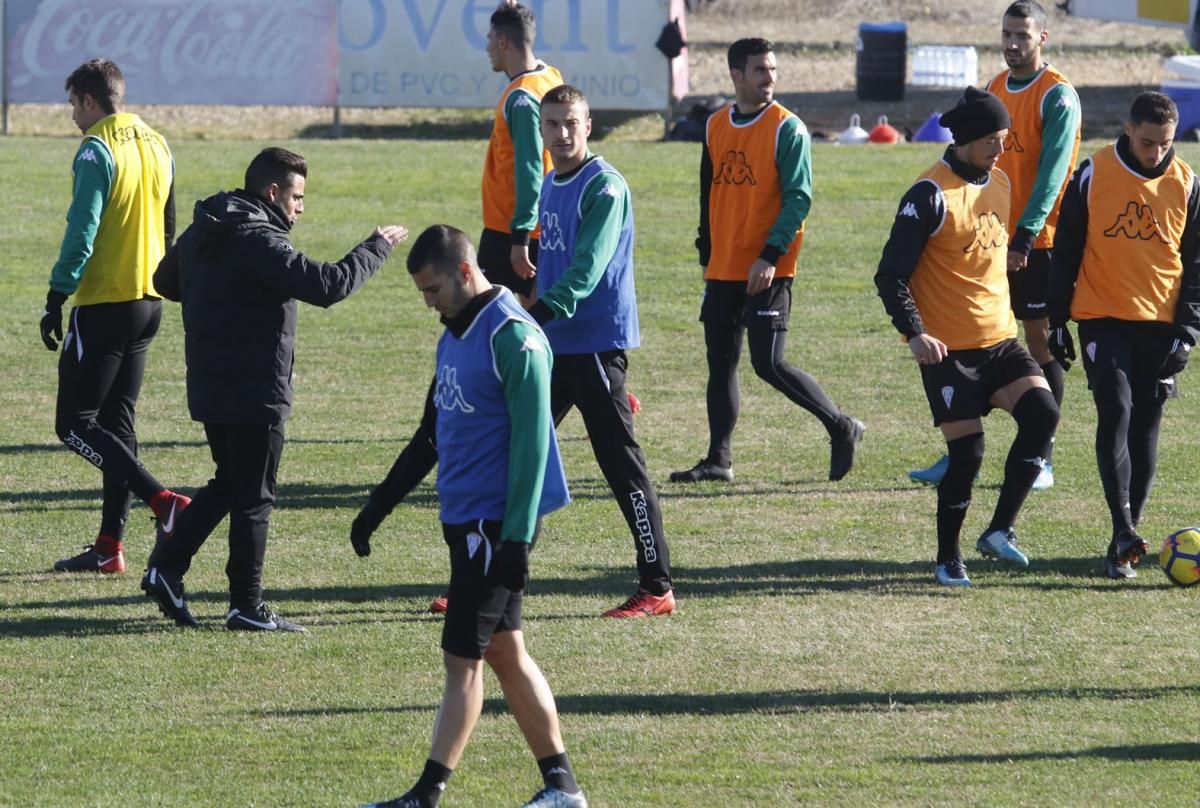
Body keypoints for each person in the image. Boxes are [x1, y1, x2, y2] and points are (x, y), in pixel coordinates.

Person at [358, 225, 586, 808]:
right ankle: (563, 788)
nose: (428, 303)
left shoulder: (514, 338)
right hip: (465, 522)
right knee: (506, 652)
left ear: (464, 272)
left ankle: (426, 794)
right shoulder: (455, 334)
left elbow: (536, 445)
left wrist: (515, 538)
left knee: (461, 661)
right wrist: (380, 504)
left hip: (493, 527)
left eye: (433, 289)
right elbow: (431, 433)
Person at [142, 147, 406, 630]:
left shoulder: (208, 223)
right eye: (297, 197)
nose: (301, 208)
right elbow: (328, 285)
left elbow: (166, 280)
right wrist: (376, 246)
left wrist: (221, 291)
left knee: (232, 483)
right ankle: (246, 604)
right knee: (255, 496)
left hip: (209, 384)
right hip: (255, 389)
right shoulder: (260, 241)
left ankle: (166, 568)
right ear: (272, 192)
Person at [875, 87, 1060, 586]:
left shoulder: (999, 181)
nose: (1000, 150)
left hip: (1000, 340)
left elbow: (1000, 264)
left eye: (1004, 139)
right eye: (991, 141)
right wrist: (914, 334)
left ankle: (999, 530)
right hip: (949, 351)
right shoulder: (928, 195)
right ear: (963, 140)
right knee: (968, 456)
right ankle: (947, 555)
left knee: (1043, 415)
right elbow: (889, 275)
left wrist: (1043, 319)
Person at [670, 37, 864, 485]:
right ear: (736, 75)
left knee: (769, 363)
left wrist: (769, 255)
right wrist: (707, 250)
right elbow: (708, 191)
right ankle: (719, 460)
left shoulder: (787, 129)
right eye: (760, 71)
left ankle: (841, 425)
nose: (769, 78)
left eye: (773, 70)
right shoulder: (715, 124)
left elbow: (799, 199)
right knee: (721, 362)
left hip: (768, 267)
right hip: (724, 266)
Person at [910, 0, 1080, 489]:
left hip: (1037, 240)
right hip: (988, 239)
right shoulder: (994, 89)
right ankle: (962, 446)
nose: (1012, 43)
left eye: (1022, 36)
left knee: (1038, 340)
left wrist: (1026, 233)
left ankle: (1040, 457)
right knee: (979, 338)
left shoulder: (1058, 96)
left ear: (1042, 38)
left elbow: (1053, 173)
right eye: (1006, 33)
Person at [527, 84, 674, 617]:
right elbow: (553, 254)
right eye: (553, 125)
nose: (562, 134)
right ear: (541, 131)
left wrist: (533, 314)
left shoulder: (604, 187)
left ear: (588, 126)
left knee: (621, 467)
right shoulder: (551, 180)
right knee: (520, 456)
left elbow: (585, 272)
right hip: (556, 343)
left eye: (572, 124)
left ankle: (657, 587)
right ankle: (494, 581)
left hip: (591, 347)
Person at [42, 59, 191, 575]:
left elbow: (81, 231)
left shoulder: (96, 149)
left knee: (73, 424)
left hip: (104, 300)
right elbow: (170, 221)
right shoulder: (157, 141)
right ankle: (110, 547)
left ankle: (163, 501)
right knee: (116, 428)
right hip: (148, 301)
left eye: (72, 105)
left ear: (88, 100)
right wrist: (165, 282)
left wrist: (57, 293)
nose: (72, 116)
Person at [1047, 91, 1200, 579]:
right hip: (1102, 315)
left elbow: (1196, 265)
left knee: (1146, 426)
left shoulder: (1188, 183)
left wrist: (1190, 330)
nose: (1157, 152)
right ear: (1129, 129)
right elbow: (1066, 249)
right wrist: (1055, 319)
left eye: (1166, 143)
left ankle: (1125, 535)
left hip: (1161, 323)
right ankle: (1124, 531)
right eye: (1149, 141)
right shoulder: (1093, 174)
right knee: (1115, 407)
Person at [479, 2, 563, 301]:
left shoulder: (522, 99)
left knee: (485, 314)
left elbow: (530, 170)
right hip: (540, 222)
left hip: (512, 227)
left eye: (490, 38)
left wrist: (520, 238)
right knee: (530, 309)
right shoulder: (549, 76)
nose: (487, 46)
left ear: (503, 41)